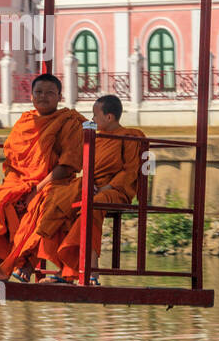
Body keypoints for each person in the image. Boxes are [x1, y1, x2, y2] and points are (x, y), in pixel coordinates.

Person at [0, 73, 83, 281]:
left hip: (52, 182)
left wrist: (35, 189)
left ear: (59, 96)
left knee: (42, 203)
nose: (43, 97)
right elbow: (13, 163)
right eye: (38, 92)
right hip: (18, 182)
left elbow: (66, 166)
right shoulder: (25, 122)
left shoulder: (69, 122)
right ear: (31, 96)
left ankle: (25, 264)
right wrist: (15, 190)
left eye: (50, 93)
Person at [34, 94, 145, 283]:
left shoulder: (130, 137)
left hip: (114, 191)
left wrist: (105, 188)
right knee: (61, 202)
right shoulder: (95, 138)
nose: (92, 119)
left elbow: (130, 171)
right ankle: (67, 271)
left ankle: (90, 270)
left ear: (109, 117)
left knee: (91, 205)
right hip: (90, 187)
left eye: (95, 115)